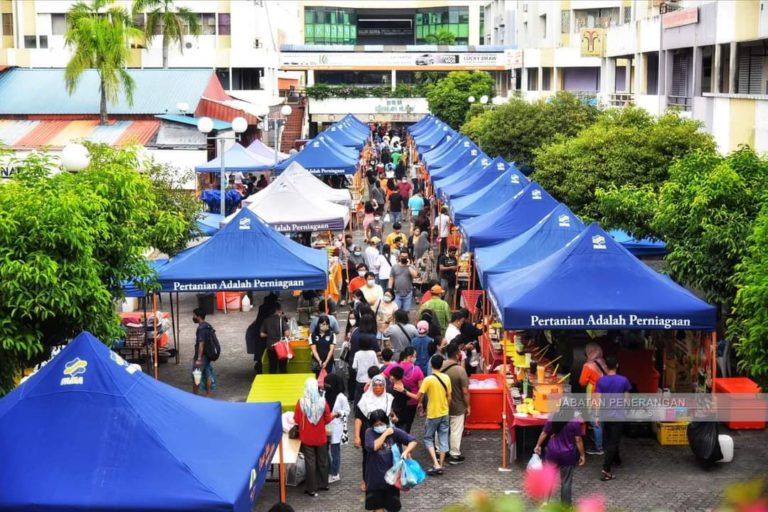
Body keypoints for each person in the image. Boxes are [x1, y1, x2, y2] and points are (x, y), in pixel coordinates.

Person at [364, 409, 417, 512]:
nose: (379, 426)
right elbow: (373, 446)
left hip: (392, 480)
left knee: (393, 508)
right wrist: (385, 434)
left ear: (386, 422)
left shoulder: (395, 432)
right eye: (376, 424)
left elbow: (413, 440)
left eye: (381, 423)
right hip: (375, 480)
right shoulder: (369, 433)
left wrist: (406, 452)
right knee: (378, 508)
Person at [294, 378, 337, 497]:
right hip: (320, 436)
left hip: (307, 437)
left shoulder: (301, 402)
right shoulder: (323, 401)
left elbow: (297, 419)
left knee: (310, 462)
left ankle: (311, 488)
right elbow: (328, 419)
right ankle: (324, 484)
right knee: (323, 460)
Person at [412, 354, 451, 476]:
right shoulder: (446, 378)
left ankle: (436, 463)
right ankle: (441, 463)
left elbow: (418, 396)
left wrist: (404, 391)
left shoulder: (428, 379)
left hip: (433, 413)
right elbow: (449, 397)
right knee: (443, 438)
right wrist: (446, 406)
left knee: (428, 438)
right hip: (444, 412)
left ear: (431, 365)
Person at [534, 416, 586, 507]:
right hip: (567, 455)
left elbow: (544, 433)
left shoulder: (553, 418)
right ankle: (566, 506)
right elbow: (578, 440)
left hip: (552, 453)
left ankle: (545, 502)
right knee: (566, 481)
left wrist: (538, 445)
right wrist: (582, 455)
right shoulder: (575, 422)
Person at [595, 354, 632, 482]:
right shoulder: (624, 380)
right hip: (618, 415)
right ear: (617, 365)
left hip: (605, 414)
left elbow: (598, 401)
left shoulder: (600, 381)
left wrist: (597, 416)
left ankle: (616, 459)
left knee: (610, 439)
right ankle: (606, 470)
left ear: (605, 366)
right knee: (613, 441)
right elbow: (627, 401)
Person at [355, 375, 395, 492]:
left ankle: (386, 479)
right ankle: (366, 480)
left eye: (381, 385)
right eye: (375, 385)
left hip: (385, 433)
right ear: (371, 386)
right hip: (369, 432)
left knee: (386, 455)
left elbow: (390, 413)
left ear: (384, 386)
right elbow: (358, 418)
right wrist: (357, 436)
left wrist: (394, 416)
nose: (378, 388)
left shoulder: (388, 398)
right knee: (368, 458)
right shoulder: (365, 400)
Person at [442, 343, 470, 464]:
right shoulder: (460, 370)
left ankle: (440, 451)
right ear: (458, 354)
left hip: (442, 405)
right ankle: (454, 454)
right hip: (457, 406)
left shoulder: (439, 366)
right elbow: (465, 392)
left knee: (442, 429)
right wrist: (468, 405)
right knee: (456, 430)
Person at [383, 347, 424, 432]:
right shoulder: (417, 370)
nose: (415, 358)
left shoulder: (394, 366)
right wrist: (420, 402)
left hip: (395, 402)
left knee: (394, 423)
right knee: (407, 424)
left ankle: (397, 440)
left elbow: (381, 376)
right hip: (412, 402)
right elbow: (421, 389)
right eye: (414, 356)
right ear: (409, 357)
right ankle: (405, 439)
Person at [579, 342, 607, 455]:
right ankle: (600, 440)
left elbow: (582, 382)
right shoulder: (603, 361)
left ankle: (598, 447)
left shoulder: (588, 365)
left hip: (594, 393)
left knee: (595, 420)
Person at [324, 374, 350, 483]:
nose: (326, 386)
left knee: (335, 450)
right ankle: (329, 469)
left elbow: (347, 411)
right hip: (326, 425)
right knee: (325, 449)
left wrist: (337, 414)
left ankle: (335, 473)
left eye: (328, 383)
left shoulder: (341, 397)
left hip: (336, 426)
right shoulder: (324, 394)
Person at [246, 292, 278, 374]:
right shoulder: (269, 310)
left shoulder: (262, 308)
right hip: (264, 333)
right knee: (263, 352)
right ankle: (261, 367)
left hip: (259, 331)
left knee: (260, 352)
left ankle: (260, 365)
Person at [192, 308, 218, 396]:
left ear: (198, 316)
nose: (193, 317)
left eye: (194, 315)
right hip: (208, 355)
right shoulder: (208, 326)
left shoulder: (201, 329)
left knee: (196, 374)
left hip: (202, 356)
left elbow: (201, 344)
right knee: (207, 373)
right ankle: (209, 393)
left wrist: (199, 359)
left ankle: (194, 395)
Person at [260, 302, 291, 374]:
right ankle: (283, 382)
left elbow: (261, 334)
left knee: (272, 367)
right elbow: (287, 333)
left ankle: (272, 383)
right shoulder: (281, 320)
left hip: (270, 347)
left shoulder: (266, 320)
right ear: (278, 310)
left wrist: (270, 334)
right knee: (283, 368)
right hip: (281, 347)